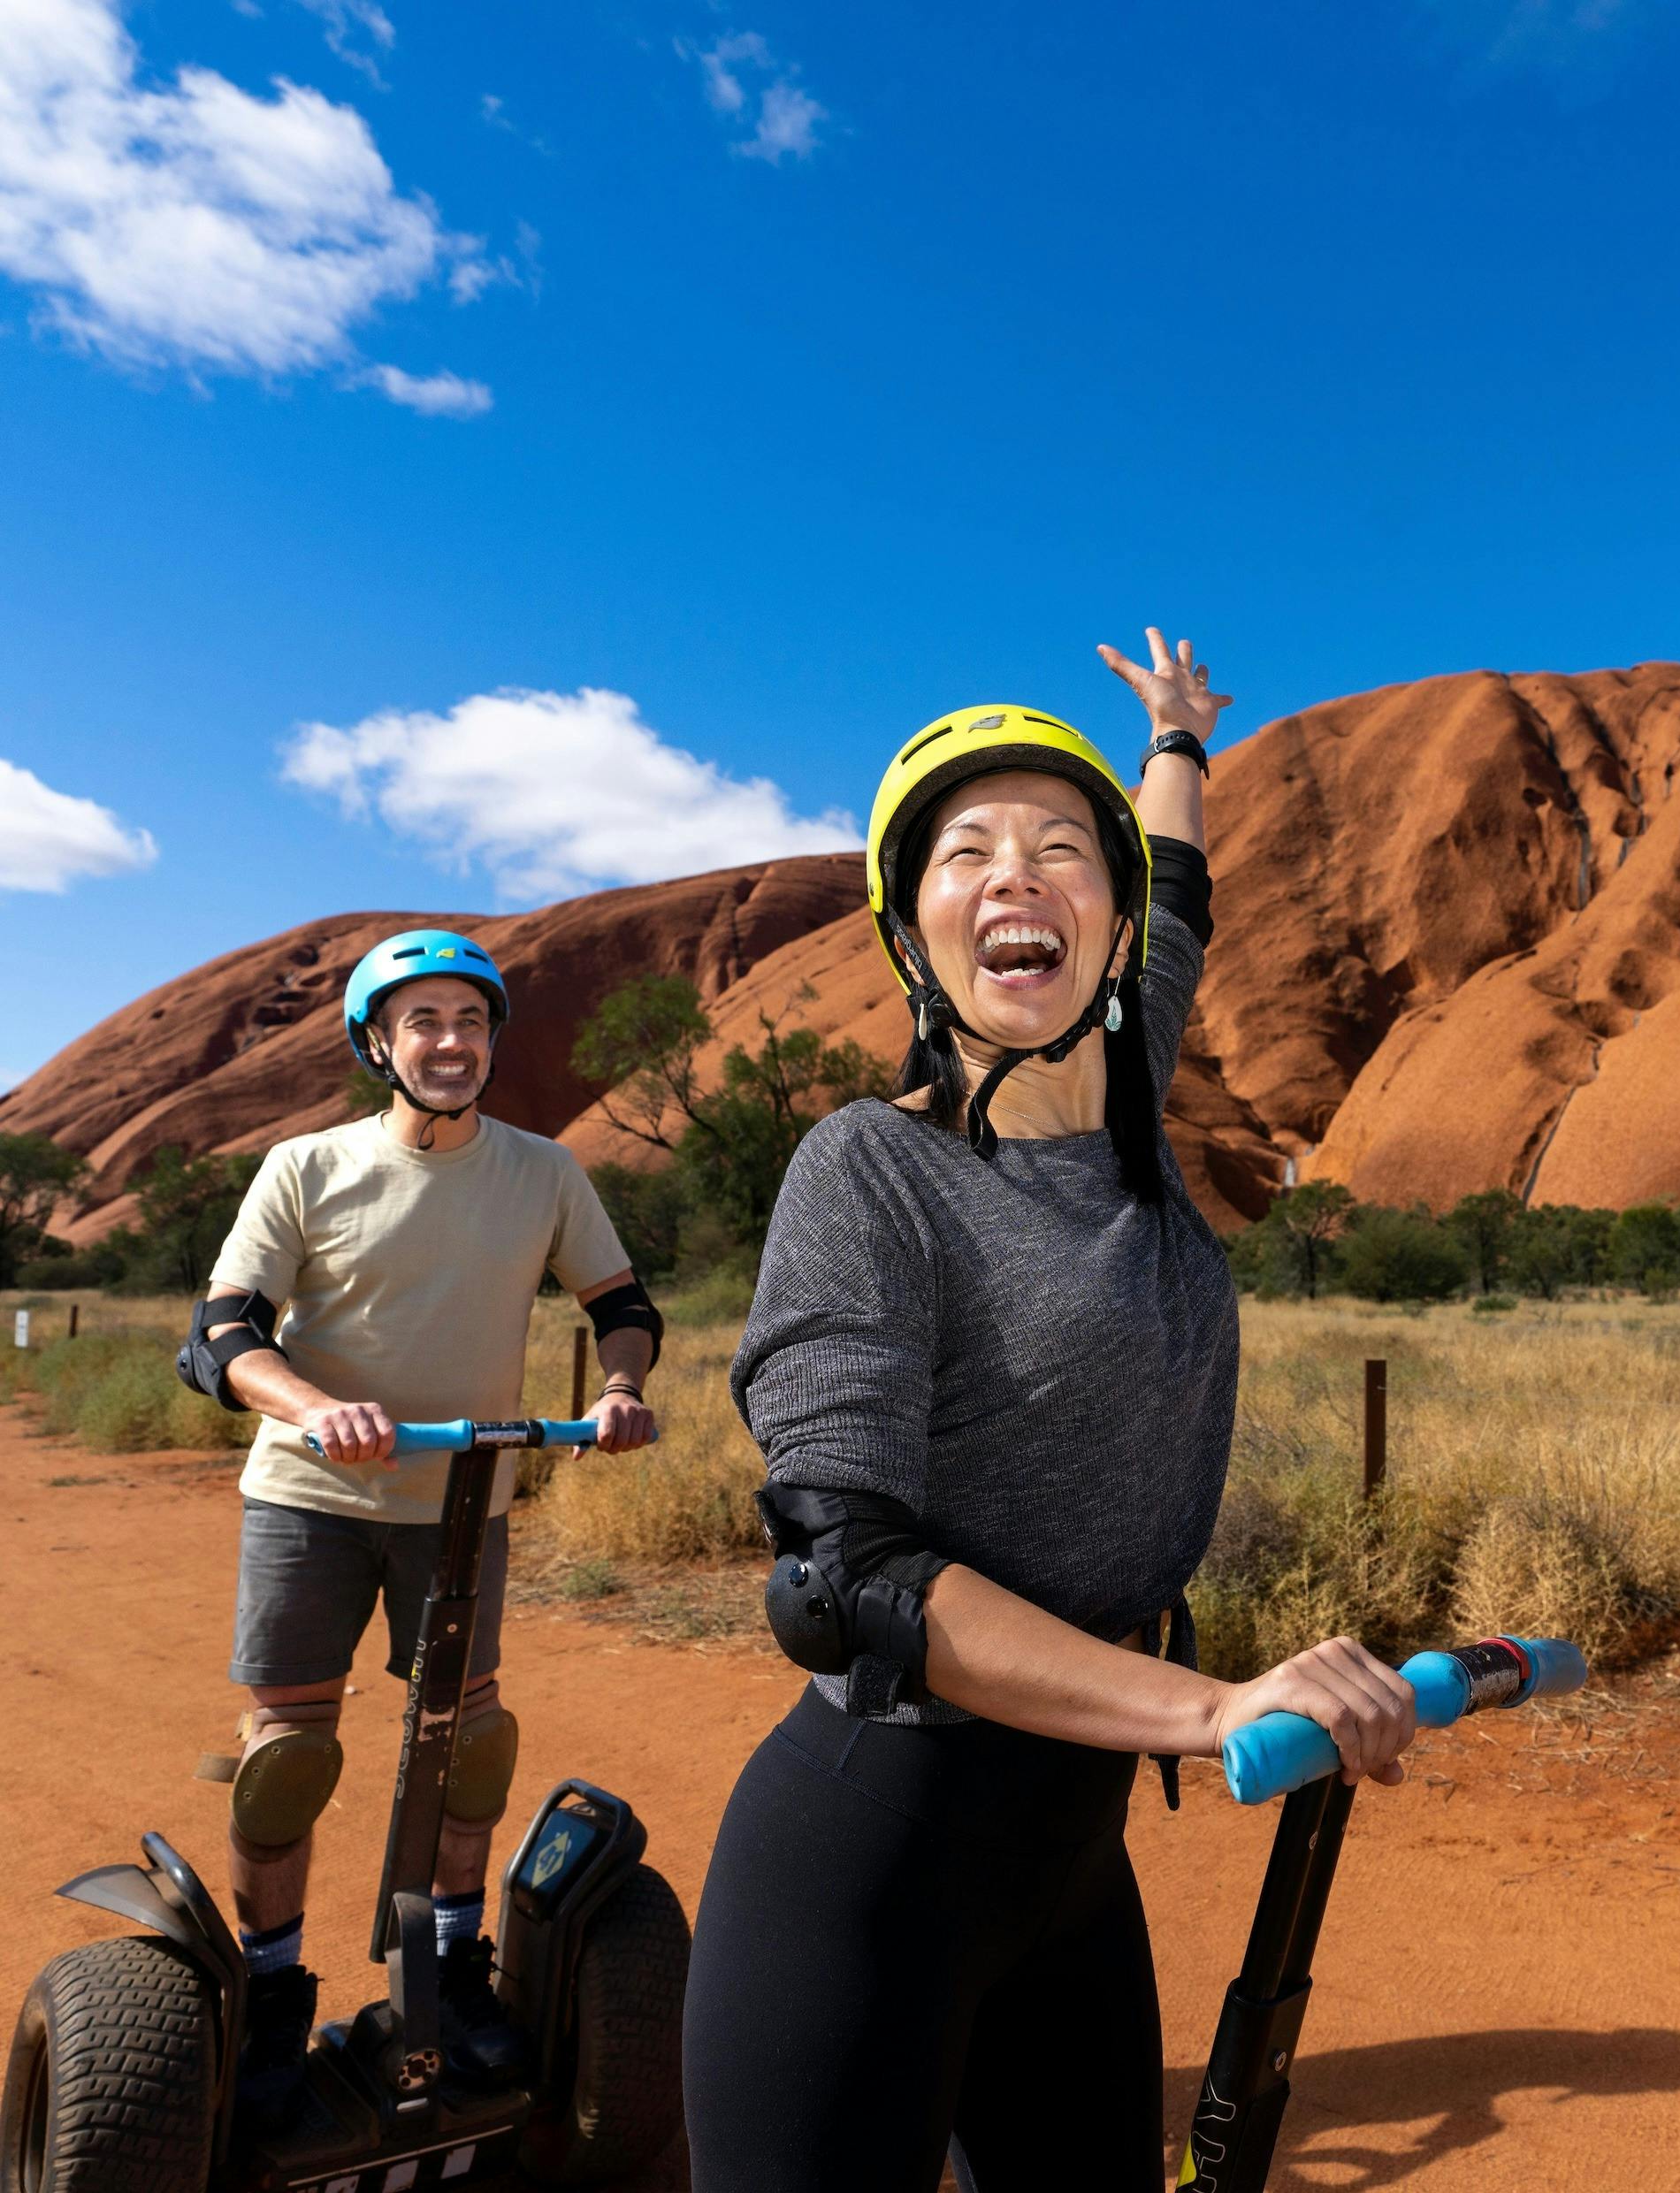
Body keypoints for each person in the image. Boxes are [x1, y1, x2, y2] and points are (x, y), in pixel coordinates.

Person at [681, 633, 1422, 2191]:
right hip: (874, 1854)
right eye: (968, 856)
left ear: (1107, 917)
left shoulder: (1129, 1087)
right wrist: (1210, 1710)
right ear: (908, 933)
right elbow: (843, 1577)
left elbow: (1183, 900)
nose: (1018, 879)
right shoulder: (872, 1172)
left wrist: (1177, 744)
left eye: (1058, 853)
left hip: (1072, 1860)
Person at [175, 928, 664, 2130]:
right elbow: (223, 1334)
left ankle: (451, 1969)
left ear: (492, 1043)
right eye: (424, 1023)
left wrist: (619, 1387)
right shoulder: (305, 1167)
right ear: (378, 1045)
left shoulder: (544, 1172)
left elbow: (624, 1303)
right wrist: (312, 1408)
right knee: (288, 1754)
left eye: (471, 1023)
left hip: (463, 1498)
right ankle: (278, 1988)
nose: (451, 1044)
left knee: (468, 1742)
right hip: (313, 1498)